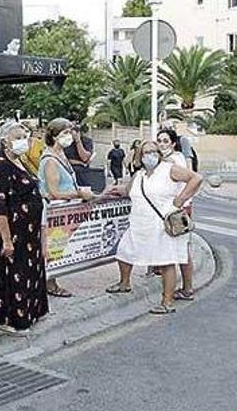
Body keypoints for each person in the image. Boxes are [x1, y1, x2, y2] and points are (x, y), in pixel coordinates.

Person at [104, 140, 203, 314]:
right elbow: (127, 190)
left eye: (153, 152)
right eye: (146, 152)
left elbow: (196, 178)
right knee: (124, 251)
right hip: (139, 224)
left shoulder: (169, 169)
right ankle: (124, 283)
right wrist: (109, 190)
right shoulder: (140, 175)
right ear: (140, 156)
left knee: (165, 261)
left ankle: (167, 301)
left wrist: (180, 200)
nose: (150, 156)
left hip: (162, 223)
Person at [0, 121, 49, 336]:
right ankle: (7, 320)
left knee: (27, 271)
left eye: (24, 136)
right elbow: (0, 207)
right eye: (17, 137)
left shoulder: (21, 162)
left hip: (28, 234)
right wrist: (6, 240)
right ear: (4, 141)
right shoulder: (0, 169)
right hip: (12, 234)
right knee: (11, 273)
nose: (23, 141)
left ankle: (30, 311)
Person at [38, 118, 95, 298]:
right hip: (54, 211)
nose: (69, 136)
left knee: (58, 248)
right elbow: (53, 192)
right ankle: (50, 284)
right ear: (54, 136)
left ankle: (50, 281)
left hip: (64, 212)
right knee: (53, 249)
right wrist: (79, 194)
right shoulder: (51, 160)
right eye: (65, 133)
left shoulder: (61, 156)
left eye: (70, 132)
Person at [157, 129, 196, 298]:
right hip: (176, 209)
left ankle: (186, 288)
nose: (162, 144)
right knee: (182, 249)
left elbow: (194, 179)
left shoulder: (173, 161)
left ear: (173, 143)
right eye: (159, 141)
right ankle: (186, 287)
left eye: (166, 141)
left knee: (181, 250)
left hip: (177, 211)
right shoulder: (173, 159)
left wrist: (180, 200)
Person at [63, 122, 94, 187]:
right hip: (68, 173)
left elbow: (85, 158)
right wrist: (80, 163)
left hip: (83, 175)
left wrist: (78, 141)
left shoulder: (87, 141)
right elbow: (63, 159)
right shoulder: (65, 142)